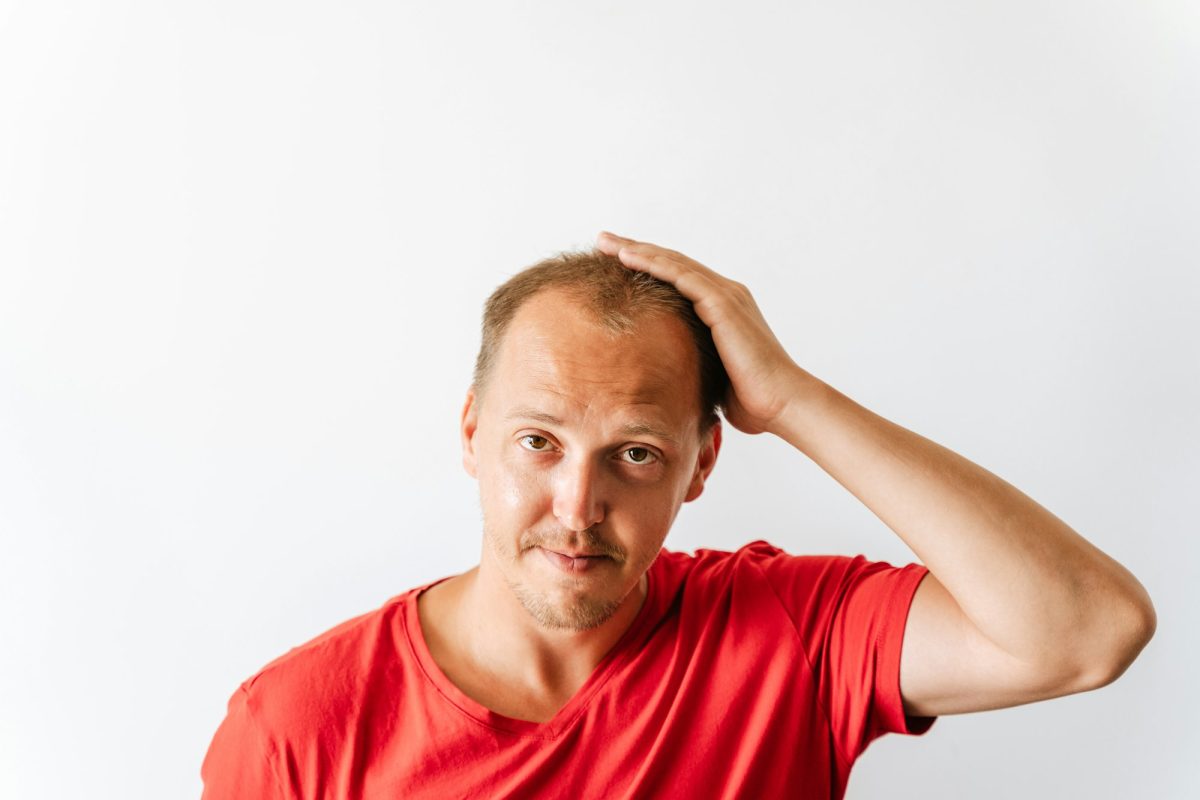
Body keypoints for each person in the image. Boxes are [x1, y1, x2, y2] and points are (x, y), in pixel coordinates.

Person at [200, 231, 1156, 799]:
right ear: (470, 434)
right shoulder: (299, 727)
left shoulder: (790, 636)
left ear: (700, 465)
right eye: (539, 443)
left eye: (636, 454)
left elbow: (1085, 629)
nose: (577, 508)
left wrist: (792, 401)